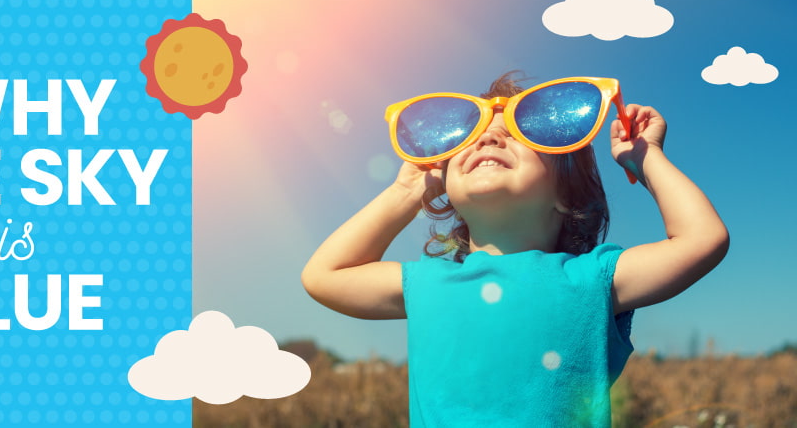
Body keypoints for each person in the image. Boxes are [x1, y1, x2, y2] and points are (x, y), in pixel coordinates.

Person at [301, 72, 729, 426]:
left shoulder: (590, 278)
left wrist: (646, 155)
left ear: (568, 195)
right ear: (445, 187)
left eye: (514, 136)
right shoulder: (428, 282)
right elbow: (324, 276)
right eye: (469, 141)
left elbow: (701, 240)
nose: (488, 140)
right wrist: (405, 191)